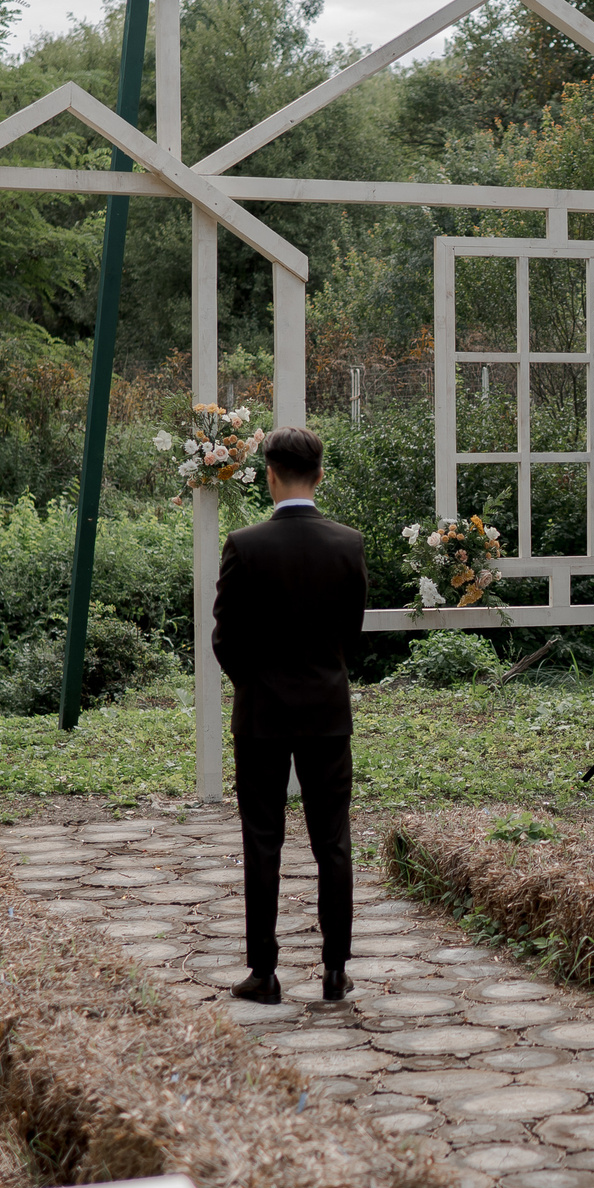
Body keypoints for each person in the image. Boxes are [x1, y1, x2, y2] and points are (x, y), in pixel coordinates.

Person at [211, 426, 366, 1007]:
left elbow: (225, 636)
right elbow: (351, 631)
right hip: (327, 709)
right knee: (333, 842)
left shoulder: (244, 545)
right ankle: (333, 971)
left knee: (263, 841)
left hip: (262, 714)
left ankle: (265, 973)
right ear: (319, 475)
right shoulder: (347, 544)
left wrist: (256, 683)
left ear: (269, 475)